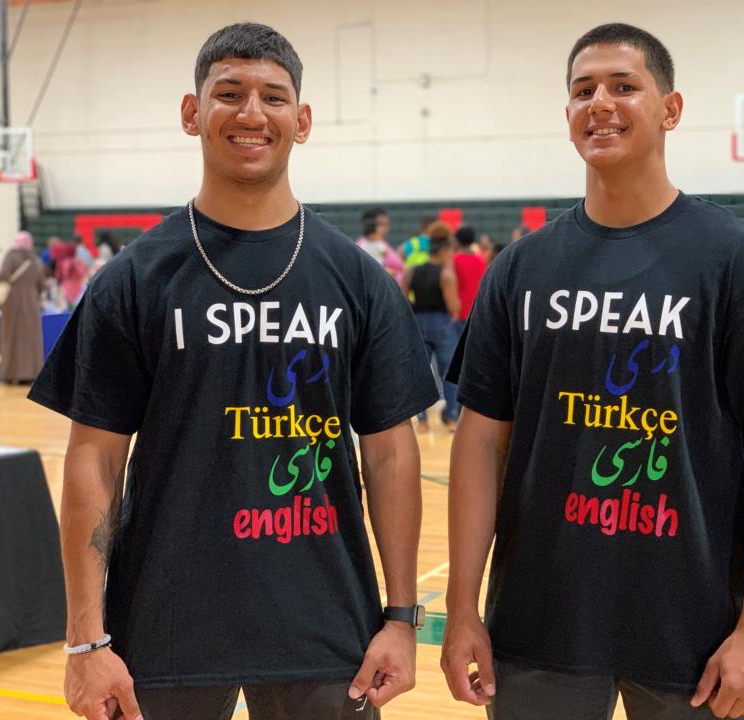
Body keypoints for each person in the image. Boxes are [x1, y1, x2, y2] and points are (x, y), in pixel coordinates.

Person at [28, 22, 438, 720]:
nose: (252, 113)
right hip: (163, 627)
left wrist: (400, 617)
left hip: (326, 622)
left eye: (273, 97)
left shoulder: (358, 282)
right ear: (193, 112)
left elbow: (392, 453)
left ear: (301, 120)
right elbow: (93, 462)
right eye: (229, 93)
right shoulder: (133, 281)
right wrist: (84, 641)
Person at [441, 23, 744, 720]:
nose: (601, 103)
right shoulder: (521, 270)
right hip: (536, 629)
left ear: (670, 109)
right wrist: (461, 607)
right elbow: (479, 443)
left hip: (698, 638)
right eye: (583, 90)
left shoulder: (741, 267)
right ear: (566, 116)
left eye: (624, 86)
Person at [401, 222, 461, 432]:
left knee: (419, 372)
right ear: (445, 249)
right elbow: (454, 306)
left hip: (418, 321)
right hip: (442, 323)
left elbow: (402, 297)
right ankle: (453, 418)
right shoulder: (446, 275)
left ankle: (423, 420)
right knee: (448, 375)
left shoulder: (411, 271)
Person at [0, 231, 46, 384]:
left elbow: (3, 275)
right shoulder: (35, 259)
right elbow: (41, 284)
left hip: (11, 302)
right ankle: (30, 373)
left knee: (10, 337)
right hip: (31, 302)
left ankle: (11, 374)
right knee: (31, 338)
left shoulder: (10, 256)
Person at [356, 207, 404, 281]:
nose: (385, 229)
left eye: (387, 225)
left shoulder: (383, 244)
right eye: (381, 225)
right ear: (370, 225)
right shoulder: (363, 246)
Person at [453, 226, 486, 332]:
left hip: (459, 310)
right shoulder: (480, 260)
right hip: (476, 310)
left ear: (457, 241)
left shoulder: (454, 260)